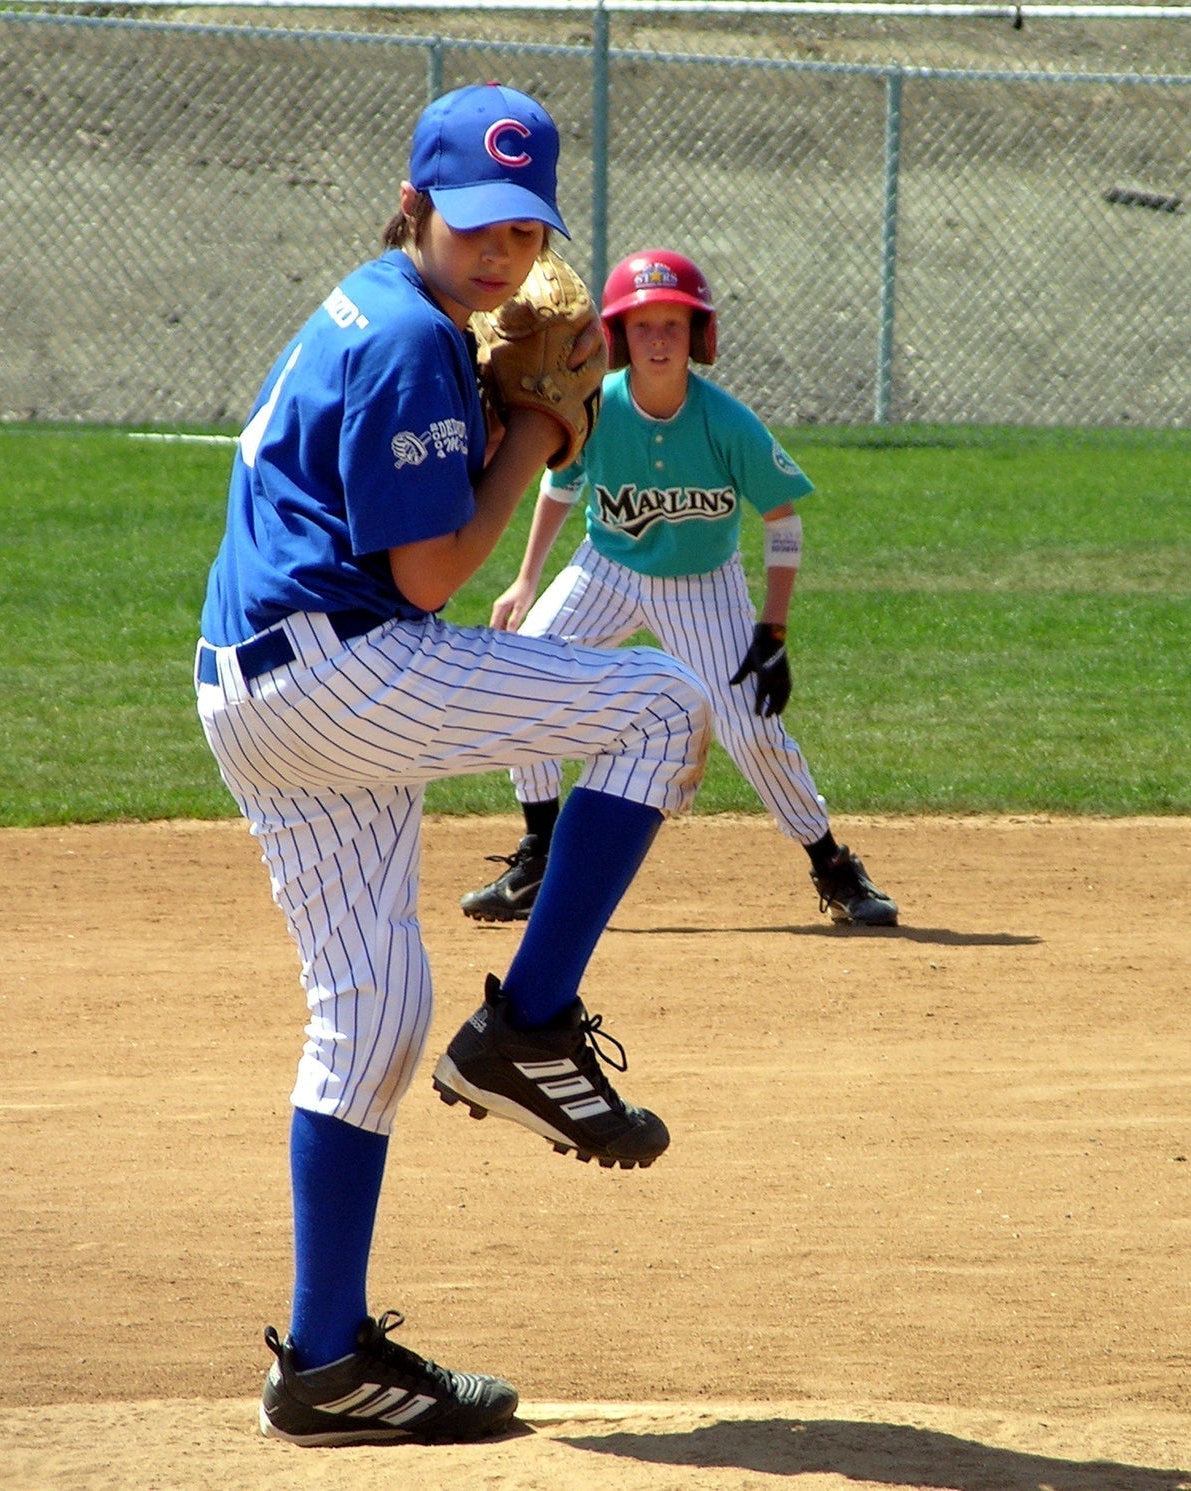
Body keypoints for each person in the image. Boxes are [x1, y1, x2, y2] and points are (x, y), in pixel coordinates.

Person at [195, 83, 713, 1447]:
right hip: (340, 671)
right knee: (661, 708)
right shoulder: (414, 340)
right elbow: (430, 577)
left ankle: (325, 1364)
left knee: (370, 1020)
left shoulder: (372, 305)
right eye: (472, 225)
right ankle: (531, 1023)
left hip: (253, 686)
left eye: (522, 232)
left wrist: (502, 412)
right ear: (412, 204)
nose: (497, 255)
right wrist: (536, 432)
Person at [457, 248, 899, 929]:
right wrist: (525, 580)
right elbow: (560, 484)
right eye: (643, 325)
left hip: (703, 585)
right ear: (618, 336)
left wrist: (774, 627)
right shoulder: (596, 407)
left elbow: (783, 522)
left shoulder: (725, 422)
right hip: (605, 572)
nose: (658, 339)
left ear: (698, 335)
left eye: (673, 324)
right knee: (525, 677)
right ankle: (540, 852)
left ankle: (833, 865)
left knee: (750, 728)